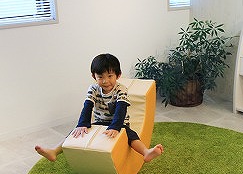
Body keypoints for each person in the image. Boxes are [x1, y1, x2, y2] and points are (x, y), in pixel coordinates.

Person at [35, 53, 163, 164]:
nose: (105, 81)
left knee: (130, 135)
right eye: (100, 77)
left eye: (110, 76)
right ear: (94, 76)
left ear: (118, 75)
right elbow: (87, 106)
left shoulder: (121, 90)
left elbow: (121, 108)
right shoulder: (94, 89)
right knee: (76, 131)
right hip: (99, 122)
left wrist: (115, 127)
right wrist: (82, 124)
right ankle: (54, 151)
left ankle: (145, 152)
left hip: (120, 123)